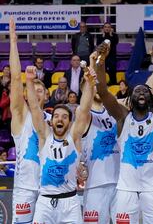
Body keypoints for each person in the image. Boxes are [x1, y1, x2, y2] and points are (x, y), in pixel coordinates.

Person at [95, 37, 153, 224]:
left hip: (152, 188)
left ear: (150, 97)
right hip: (126, 189)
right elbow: (103, 91)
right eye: (137, 91)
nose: (142, 93)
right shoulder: (122, 117)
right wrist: (101, 63)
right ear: (130, 97)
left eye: (145, 91)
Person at [26, 62, 94, 223]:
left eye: (64, 117)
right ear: (51, 121)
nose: (60, 119)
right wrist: (29, 81)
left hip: (70, 203)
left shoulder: (74, 138)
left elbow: (84, 110)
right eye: (56, 116)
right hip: (44, 203)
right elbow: (35, 108)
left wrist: (90, 85)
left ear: (70, 123)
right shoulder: (44, 136)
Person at [9, 18, 52, 224]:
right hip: (25, 188)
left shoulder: (55, 120)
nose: (36, 91)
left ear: (47, 95)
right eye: (32, 89)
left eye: (40, 89)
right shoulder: (20, 116)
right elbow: (16, 79)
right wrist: (13, 42)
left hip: (50, 188)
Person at [79, 56, 120, 224]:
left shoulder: (115, 111)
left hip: (121, 184)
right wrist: (91, 66)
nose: (95, 88)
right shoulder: (83, 115)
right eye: (91, 86)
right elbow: (85, 104)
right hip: (95, 184)